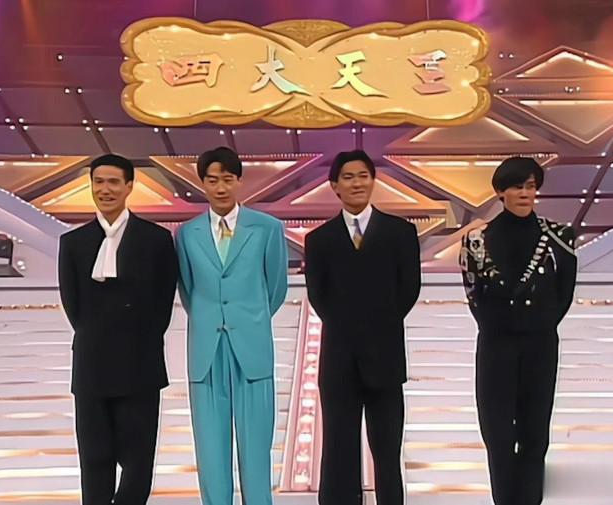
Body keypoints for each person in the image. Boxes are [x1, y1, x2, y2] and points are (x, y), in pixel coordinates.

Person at [58, 154, 178, 505]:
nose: (105, 189)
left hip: (140, 365)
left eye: (113, 182)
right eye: (98, 182)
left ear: (129, 186)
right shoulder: (73, 243)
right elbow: (74, 308)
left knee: (138, 462)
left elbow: (162, 306)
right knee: (94, 460)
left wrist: (138, 341)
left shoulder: (156, 240)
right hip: (92, 367)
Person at [304, 150, 421, 505]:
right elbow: (319, 296)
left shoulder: (400, 232)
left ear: (373, 181)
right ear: (334, 186)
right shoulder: (319, 240)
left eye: (363, 176)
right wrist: (350, 329)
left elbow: (408, 290)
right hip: (339, 360)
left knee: (386, 450)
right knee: (339, 450)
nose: (357, 183)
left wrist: (377, 326)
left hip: (385, 357)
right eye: (348, 177)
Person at [459, 156, 577, 505]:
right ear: (500, 192)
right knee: (497, 434)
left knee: (534, 433)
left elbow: (564, 292)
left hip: (540, 345)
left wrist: (540, 323)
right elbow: (474, 295)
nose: (525, 193)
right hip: (496, 346)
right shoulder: (476, 240)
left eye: (530, 186)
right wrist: (501, 325)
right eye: (517, 186)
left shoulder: (559, 237)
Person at [175, 146, 288, 505]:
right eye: (212, 180)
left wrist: (248, 318)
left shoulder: (267, 228)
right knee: (210, 453)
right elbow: (188, 289)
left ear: (239, 181)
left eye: (227, 179)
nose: (221, 187)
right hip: (206, 352)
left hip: (252, 349)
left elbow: (276, 287)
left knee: (256, 452)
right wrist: (213, 319)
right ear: (202, 183)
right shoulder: (186, 234)